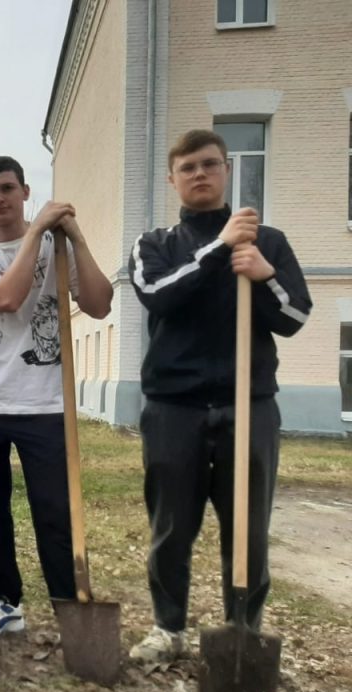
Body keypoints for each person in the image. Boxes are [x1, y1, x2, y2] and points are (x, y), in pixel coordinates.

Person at [127, 129, 311, 662]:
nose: (200, 174)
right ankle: (168, 628)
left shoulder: (266, 242)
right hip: (173, 408)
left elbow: (295, 316)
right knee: (170, 527)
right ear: (172, 179)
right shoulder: (155, 244)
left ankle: (243, 632)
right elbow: (158, 296)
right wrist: (219, 248)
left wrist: (265, 275)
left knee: (248, 529)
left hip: (249, 405)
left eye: (209, 164)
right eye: (188, 168)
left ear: (227, 170)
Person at [0, 156, 113, 639]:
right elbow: (6, 298)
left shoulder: (57, 246)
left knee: (56, 512)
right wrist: (37, 231)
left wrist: (76, 238)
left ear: (24, 191)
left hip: (45, 403)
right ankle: (5, 602)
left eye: (7, 188)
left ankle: (70, 606)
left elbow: (100, 304)